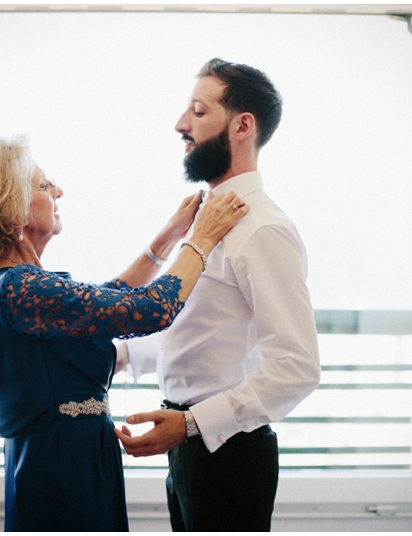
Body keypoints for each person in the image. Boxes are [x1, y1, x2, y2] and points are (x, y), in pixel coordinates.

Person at [0, 132, 248, 531]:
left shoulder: (6, 285)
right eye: (45, 185)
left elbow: (109, 297)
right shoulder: (24, 288)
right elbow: (151, 309)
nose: (58, 190)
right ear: (12, 209)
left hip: (57, 458)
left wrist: (170, 236)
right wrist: (202, 237)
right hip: (64, 467)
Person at [114, 59, 322, 531]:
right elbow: (204, 329)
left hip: (228, 455)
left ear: (242, 125)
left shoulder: (263, 229)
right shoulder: (206, 219)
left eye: (198, 111)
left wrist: (190, 424)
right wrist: (123, 354)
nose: (180, 125)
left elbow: (297, 366)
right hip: (188, 447)